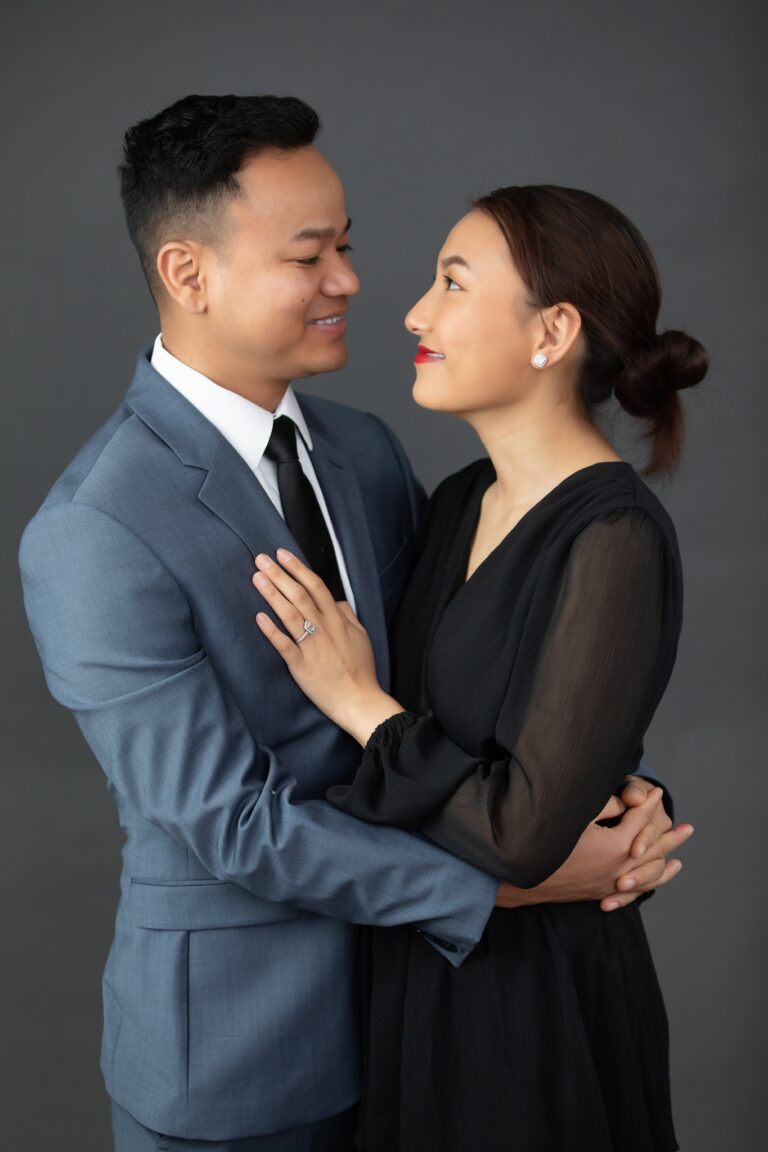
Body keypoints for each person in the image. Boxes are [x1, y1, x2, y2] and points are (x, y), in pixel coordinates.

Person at [19, 95, 690, 1152]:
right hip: (240, 1061)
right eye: (309, 255)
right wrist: (508, 887)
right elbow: (233, 824)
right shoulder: (95, 531)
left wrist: (607, 786)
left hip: (422, 1024)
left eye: (348, 245)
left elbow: (477, 677)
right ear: (189, 275)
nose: (353, 283)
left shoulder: (367, 453)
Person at [251, 185, 706, 1151]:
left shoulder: (615, 537)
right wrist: (619, 790)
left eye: (453, 282)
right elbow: (500, 750)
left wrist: (362, 707)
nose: (416, 312)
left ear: (553, 332)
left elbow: (517, 833)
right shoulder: (458, 500)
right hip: (417, 973)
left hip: (533, 999)